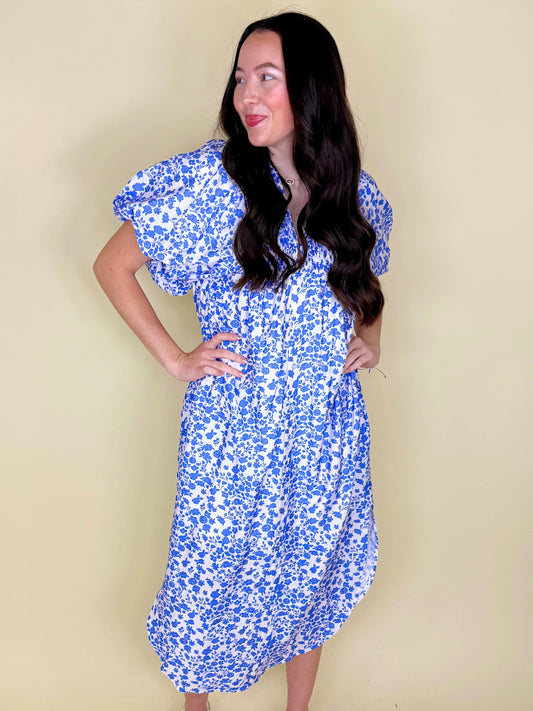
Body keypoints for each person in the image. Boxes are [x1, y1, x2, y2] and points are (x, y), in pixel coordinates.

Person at [93, 11, 393, 711]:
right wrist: (177, 360)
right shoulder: (210, 182)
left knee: (310, 580)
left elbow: (366, 281)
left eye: (266, 77)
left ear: (311, 89)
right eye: (239, 78)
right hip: (232, 432)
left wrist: (371, 339)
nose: (246, 95)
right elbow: (112, 265)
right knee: (207, 582)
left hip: (325, 432)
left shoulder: (354, 193)